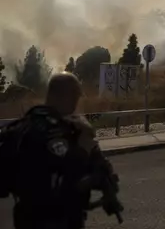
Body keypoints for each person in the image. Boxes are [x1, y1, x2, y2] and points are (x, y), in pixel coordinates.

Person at [0, 72, 124, 229]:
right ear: (66, 96)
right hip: (55, 220)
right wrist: (84, 148)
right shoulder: (55, 132)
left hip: (26, 218)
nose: (75, 104)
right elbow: (68, 176)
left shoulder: (24, 126)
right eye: (75, 98)